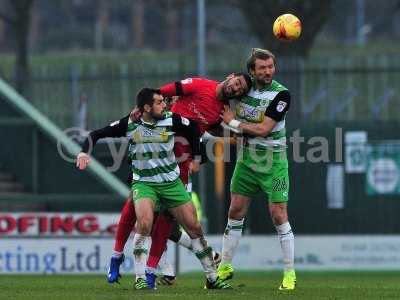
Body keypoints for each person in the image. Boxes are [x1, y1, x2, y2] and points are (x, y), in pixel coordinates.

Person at [77, 88, 231, 290]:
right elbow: (96, 134)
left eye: (163, 101)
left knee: (194, 228)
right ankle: (140, 278)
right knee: (145, 224)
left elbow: (194, 129)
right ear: (147, 107)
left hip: (171, 183)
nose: (164, 105)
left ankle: (212, 279)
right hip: (145, 183)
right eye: (159, 102)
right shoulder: (130, 123)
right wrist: (83, 153)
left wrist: (196, 157)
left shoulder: (172, 119)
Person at [106, 72, 252, 284]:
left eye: (241, 90)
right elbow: (162, 92)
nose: (236, 88)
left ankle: (153, 271)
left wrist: (236, 133)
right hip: (158, 149)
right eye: (237, 83)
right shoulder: (200, 84)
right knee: (136, 207)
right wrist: (143, 108)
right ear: (230, 77)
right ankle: (117, 257)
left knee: (168, 218)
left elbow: (211, 129)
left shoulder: (222, 110)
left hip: (182, 161)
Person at [218, 48, 296, 290]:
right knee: (235, 211)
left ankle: (289, 274)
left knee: (278, 215)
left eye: (270, 67)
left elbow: (263, 129)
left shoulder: (281, 94)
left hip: (274, 163)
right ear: (252, 71)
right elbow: (218, 92)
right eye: (262, 68)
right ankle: (225, 267)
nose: (267, 72)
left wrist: (231, 122)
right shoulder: (242, 88)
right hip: (247, 162)